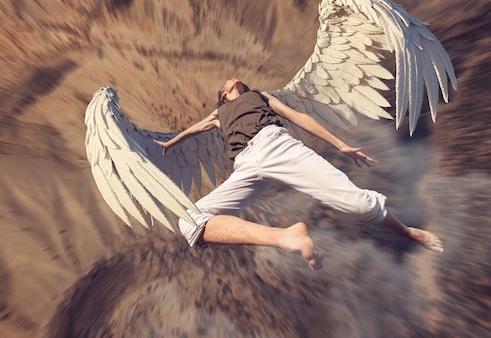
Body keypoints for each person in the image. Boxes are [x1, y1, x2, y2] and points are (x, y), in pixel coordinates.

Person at [154, 75, 444, 270]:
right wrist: (170, 142)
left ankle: (408, 232)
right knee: (189, 220)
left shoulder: (261, 96)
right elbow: (192, 130)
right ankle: (287, 237)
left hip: (276, 146)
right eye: (230, 80)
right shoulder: (219, 115)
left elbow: (299, 117)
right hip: (246, 163)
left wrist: (341, 145)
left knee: (358, 203)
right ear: (224, 94)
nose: (235, 77)